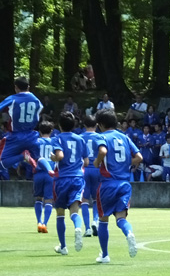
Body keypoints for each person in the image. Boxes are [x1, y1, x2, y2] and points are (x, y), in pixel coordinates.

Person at [94, 109, 142, 263]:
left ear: (100, 124)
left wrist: (97, 162)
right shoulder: (125, 137)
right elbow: (139, 157)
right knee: (121, 218)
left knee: (103, 219)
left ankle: (105, 255)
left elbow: (102, 150)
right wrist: (126, 163)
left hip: (108, 184)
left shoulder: (102, 137)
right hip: (124, 184)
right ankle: (129, 234)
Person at [50, 112, 88, 255]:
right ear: (74, 125)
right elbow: (87, 161)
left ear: (59, 125)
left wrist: (53, 157)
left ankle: (63, 246)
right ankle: (78, 228)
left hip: (62, 178)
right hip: (77, 178)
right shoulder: (80, 139)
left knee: (60, 213)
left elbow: (59, 156)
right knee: (74, 211)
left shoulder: (57, 139)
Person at [0, 76, 43, 175]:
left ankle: (22, 156)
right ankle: (49, 173)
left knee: (1, 163)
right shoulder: (36, 100)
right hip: (32, 136)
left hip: (16, 136)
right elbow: (40, 109)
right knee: (39, 159)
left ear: (16, 87)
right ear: (28, 87)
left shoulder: (13, 98)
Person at [80, 116, 105, 236]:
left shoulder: (80, 137)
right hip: (97, 169)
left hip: (84, 169)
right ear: (96, 125)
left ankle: (87, 228)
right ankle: (95, 221)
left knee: (84, 200)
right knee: (96, 199)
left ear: (84, 125)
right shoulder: (100, 137)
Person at [33, 122, 56, 233]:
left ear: (39, 131)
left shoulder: (36, 142)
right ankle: (45, 224)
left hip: (38, 173)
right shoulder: (54, 142)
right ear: (51, 131)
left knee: (38, 198)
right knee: (48, 200)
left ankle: (39, 221)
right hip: (50, 174)